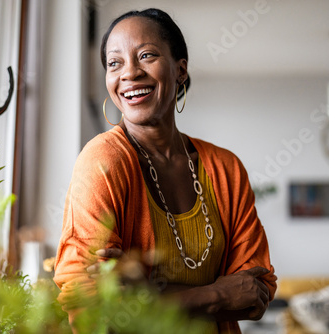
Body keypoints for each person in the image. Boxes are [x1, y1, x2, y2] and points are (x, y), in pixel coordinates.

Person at [54, 8, 277, 333]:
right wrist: (216, 295)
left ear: (180, 70)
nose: (129, 73)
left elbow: (256, 293)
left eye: (146, 56)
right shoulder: (103, 161)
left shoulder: (225, 168)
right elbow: (89, 308)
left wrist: (144, 294)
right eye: (114, 63)